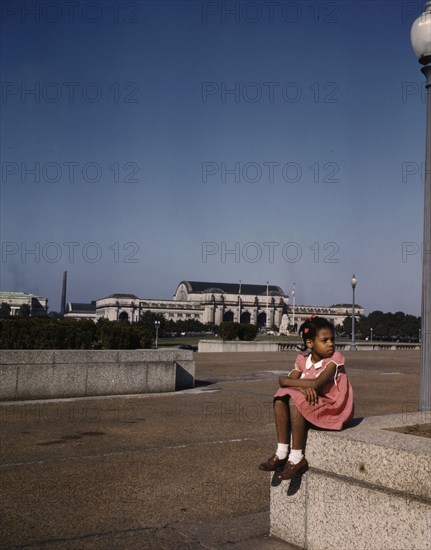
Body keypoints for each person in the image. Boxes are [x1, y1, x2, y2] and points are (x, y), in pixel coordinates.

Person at [259, 315, 354, 480]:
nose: (331, 343)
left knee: (296, 399)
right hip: (316, 404)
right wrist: (302, 386)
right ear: (310, 343)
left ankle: (297, 457)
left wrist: (300, 386)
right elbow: (282, 381)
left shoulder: (334, 359)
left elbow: (317, 384)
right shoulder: (303, 361)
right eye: (324, 340)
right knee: (280, 396)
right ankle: (281, 452)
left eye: (332, 339)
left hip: (333, 408)